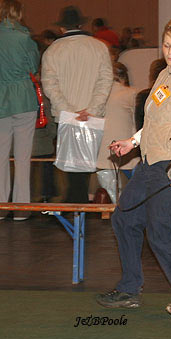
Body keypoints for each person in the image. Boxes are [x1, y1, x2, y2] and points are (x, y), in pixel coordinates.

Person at [96, 18, 171, 310]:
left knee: (159, 233)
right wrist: (132, 142)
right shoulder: (164, 77)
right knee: (124, 219)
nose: (170, 51)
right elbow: (155, 122)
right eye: (167, 45)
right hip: (148, 164)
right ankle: (129, 289)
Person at [41, 6, 113, 203]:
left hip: (65, 117)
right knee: (87, 163)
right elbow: (105, 81)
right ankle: (80, 205)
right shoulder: (99, 47)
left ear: (62, 28)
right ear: (81, 24)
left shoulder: (52, 51)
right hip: (93, 115)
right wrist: (91, 109)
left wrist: (70, 111)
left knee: (70, 165)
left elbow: (50, 85)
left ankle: (76, 205)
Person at [0, 0, 40, 221]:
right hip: (23, 99)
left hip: (0, 100)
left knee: (0, 157)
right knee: (23, 157)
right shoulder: (24, 38)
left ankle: (0, 205)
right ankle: (21, 209)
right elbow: (33, 67)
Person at [95, 62, 140, 203]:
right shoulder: (132, 93)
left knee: (113, 192)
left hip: (102, 150)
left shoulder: (95, 95)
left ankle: (117, 210)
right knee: (138, 184)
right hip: (128, 147)